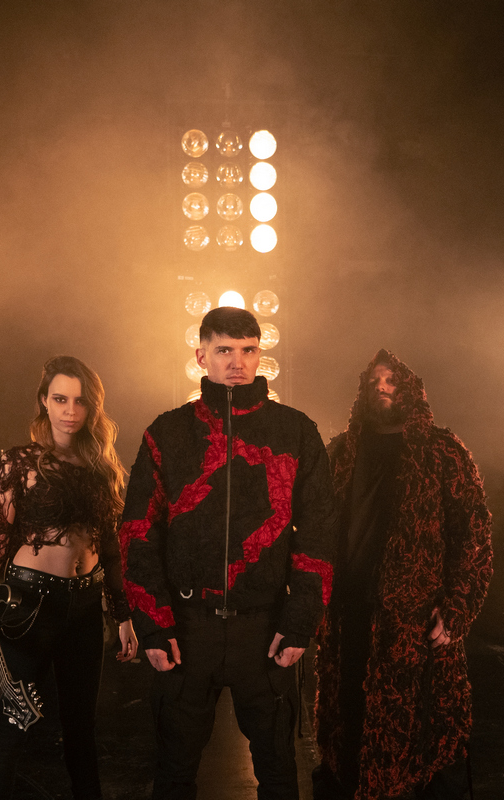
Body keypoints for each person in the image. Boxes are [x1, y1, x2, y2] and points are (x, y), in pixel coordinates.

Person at [120, 306, 336, 800]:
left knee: (279, 771)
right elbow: (138, 532)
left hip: (264, 628)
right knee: (174, 771)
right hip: (186, 629)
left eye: (248, 350)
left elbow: (319, 532)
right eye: (224, 350)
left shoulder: (295, 431)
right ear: (201, 355)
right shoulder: (168, 432)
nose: (237, 362)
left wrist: (300, 622)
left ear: (260, 354)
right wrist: (153, 624)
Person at [0, 355, 137, 800]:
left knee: (81, 728)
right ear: (44, 402)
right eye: (60, 399)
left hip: (85, 607)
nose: (70, 410)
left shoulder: (101, 467)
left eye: (79, 401)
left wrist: (123, 614)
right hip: (28, 607)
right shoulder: (19, 463)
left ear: (92, 407)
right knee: (14, 721)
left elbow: (111, 546)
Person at [313, 349, 493, 800]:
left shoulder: (442, 452)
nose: (382, 386)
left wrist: (455, 611)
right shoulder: (341, 452)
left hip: (417, 623)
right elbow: (317, 532)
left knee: (429, 741)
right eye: (374, 380)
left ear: (410, 389)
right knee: (350, 729)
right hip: (350, 618)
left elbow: (473, 538)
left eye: (391, 379)